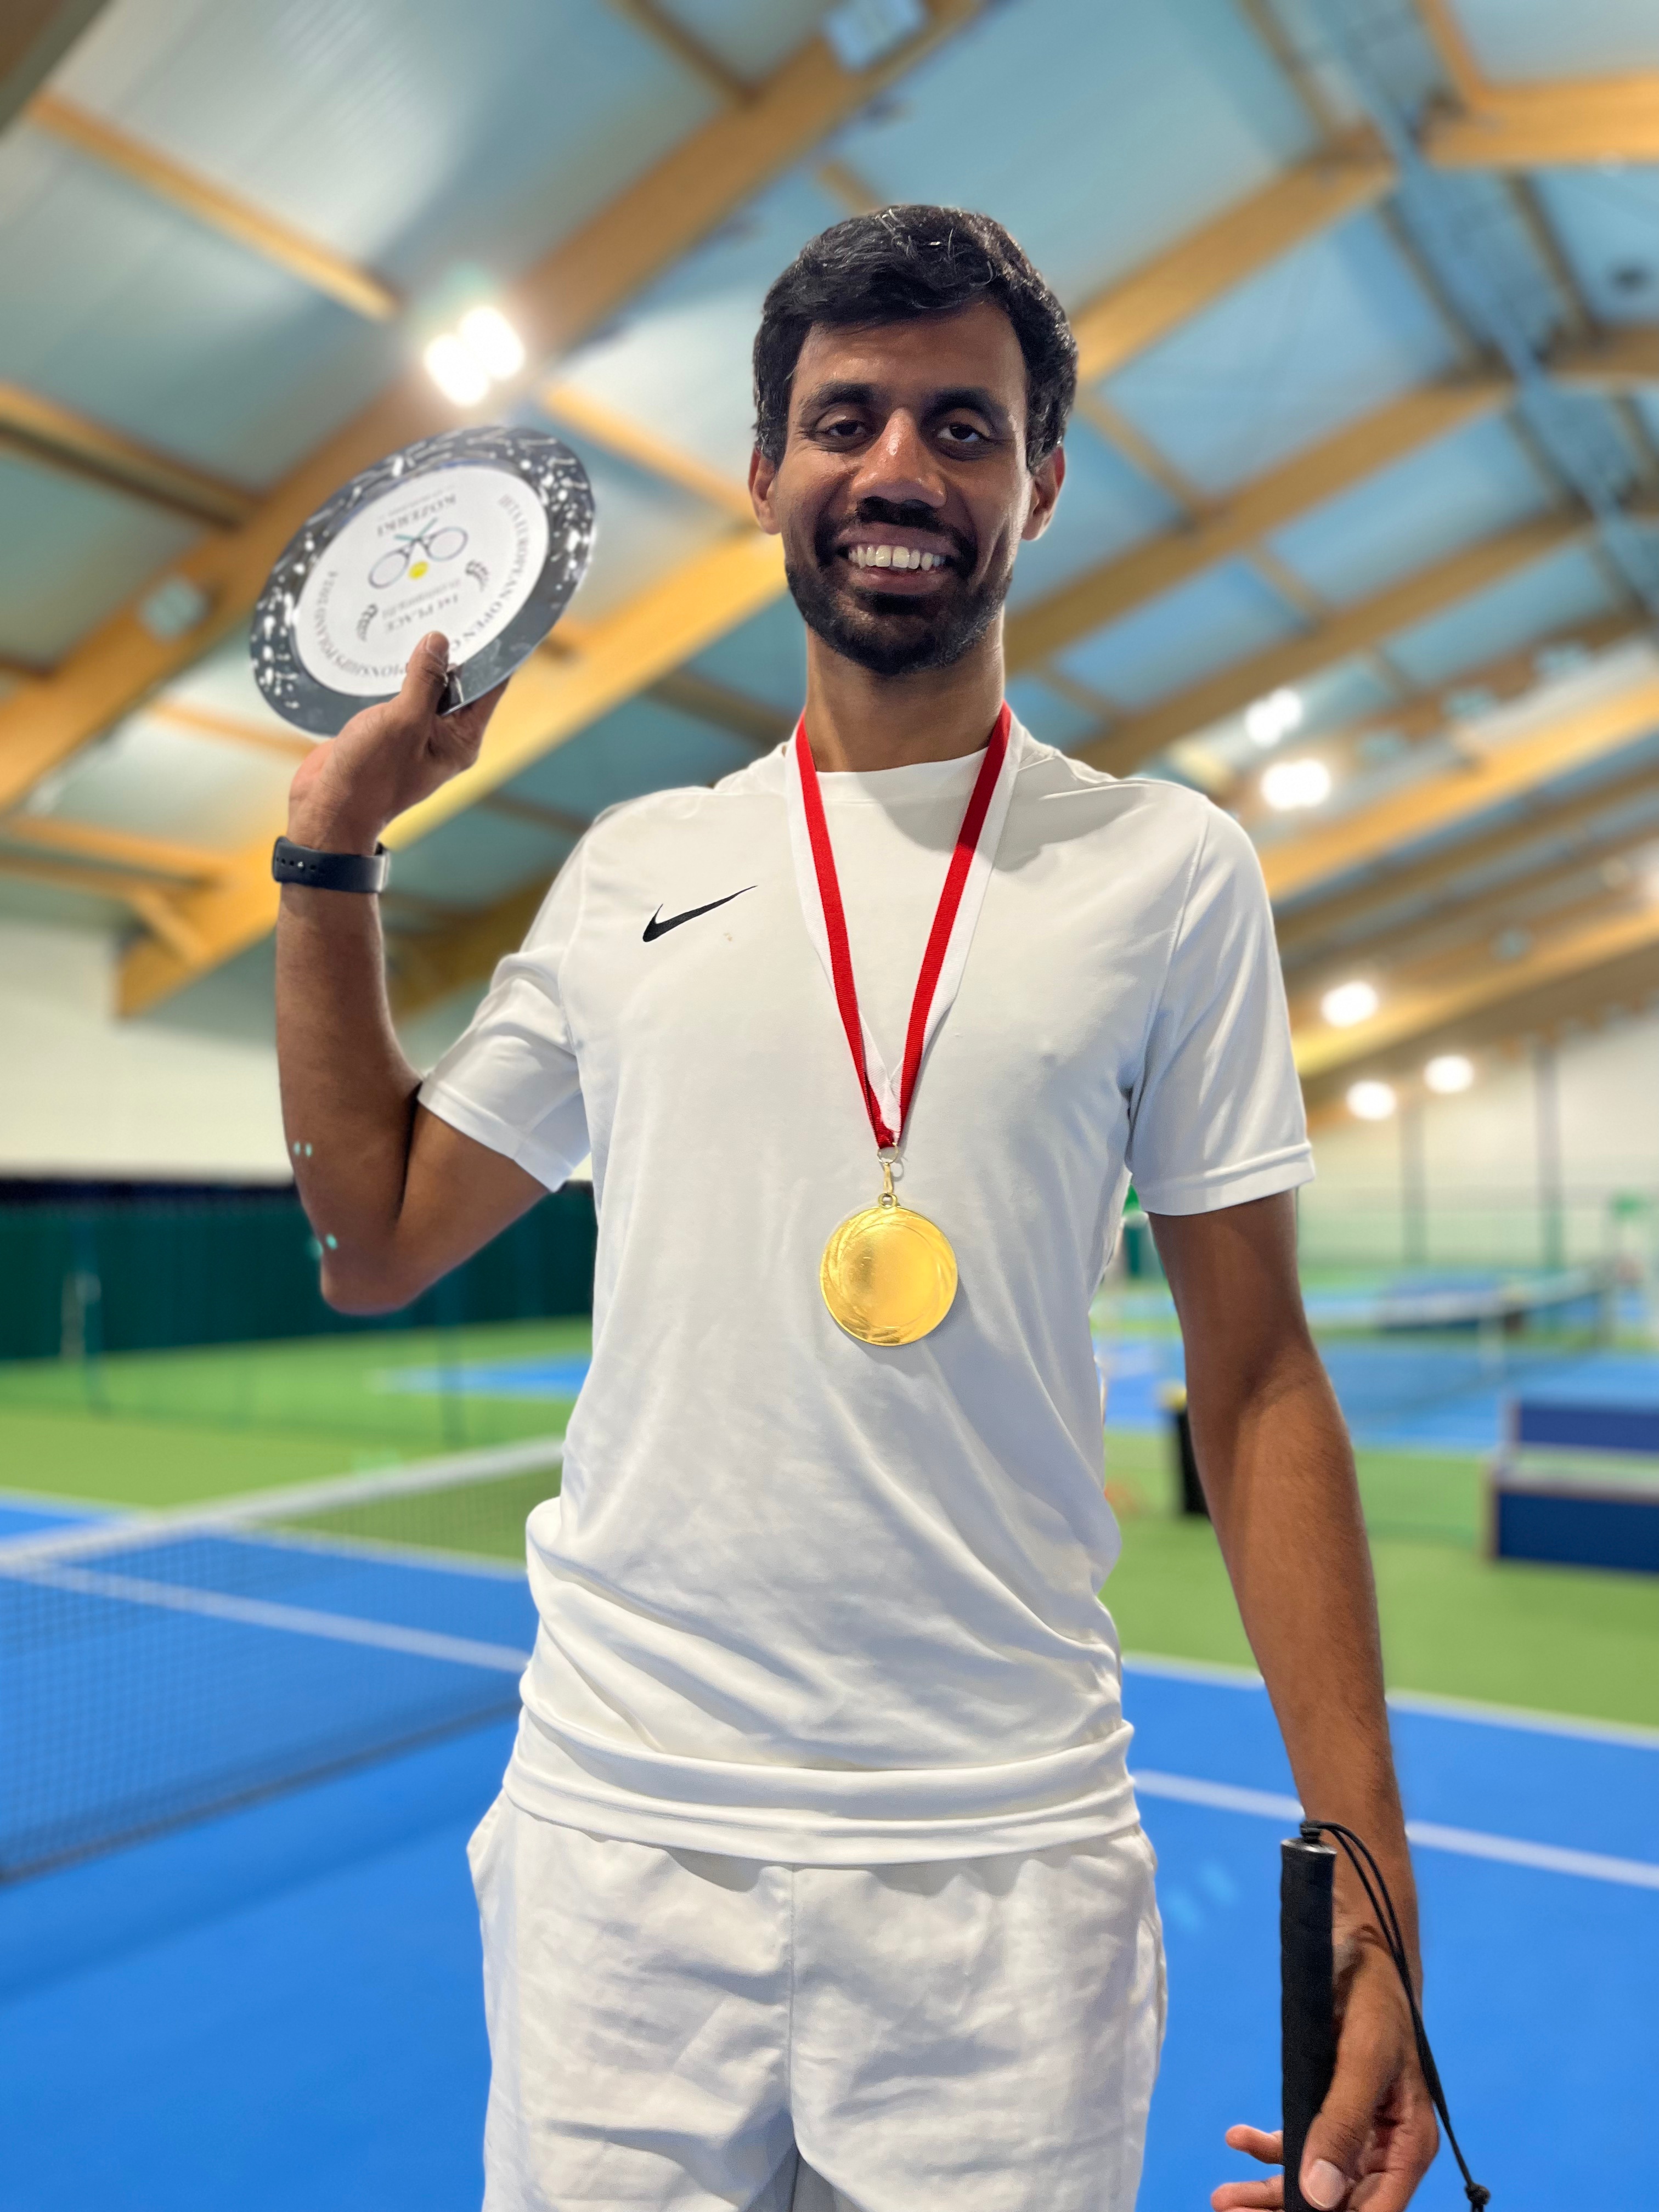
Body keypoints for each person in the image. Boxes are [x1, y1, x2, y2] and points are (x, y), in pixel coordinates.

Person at [274, 206, 1437, 2212]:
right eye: (847, 420)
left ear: (1041, 487)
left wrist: (1371, 1882)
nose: (899, 468)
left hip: (1003, 1877)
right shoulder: (636, 867)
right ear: (764, 474)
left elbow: (1256, 1388)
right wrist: (328, 855)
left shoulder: (1169, 874)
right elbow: (373, 1237)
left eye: (963, 429)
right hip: (619, 1857)